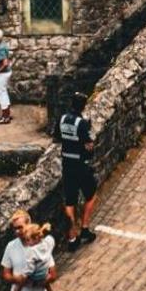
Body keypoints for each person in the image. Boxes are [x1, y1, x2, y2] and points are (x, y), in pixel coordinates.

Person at [56, 90, 99, 249]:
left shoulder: (61, 119)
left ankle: (72, 237)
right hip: (80, 165)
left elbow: (57, 137)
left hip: (67, 164)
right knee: (91, 194)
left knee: (70, 201)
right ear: (83, 106)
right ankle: (85, 228)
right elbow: (88, 145)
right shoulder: (81, 123)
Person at [4, 218, 57, 291]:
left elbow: (30, 267)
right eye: (15, 228)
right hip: (43, 274)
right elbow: (51, 240)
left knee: (20, 284)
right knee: (46, 284)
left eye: (28, 240)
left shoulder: (32, 251)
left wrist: (23, 275)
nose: (17, 231)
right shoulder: (46, 245)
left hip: (36, 290)